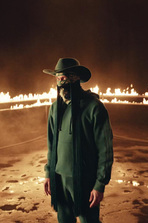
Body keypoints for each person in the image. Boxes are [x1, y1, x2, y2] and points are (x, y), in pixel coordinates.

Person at [43, 58, 114, 223]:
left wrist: (99, 184)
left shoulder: (94, 108)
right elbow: (51, 144)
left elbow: (105, 149)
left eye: (64, 77)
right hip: (59, 178)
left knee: (88, 220)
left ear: (75, 78)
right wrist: (48, 172)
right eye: (58, 78)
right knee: (64, 220)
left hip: (84, 178)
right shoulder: (55, 108)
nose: (60, 82)